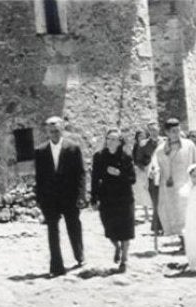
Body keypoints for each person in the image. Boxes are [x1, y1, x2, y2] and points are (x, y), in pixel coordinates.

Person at [34, 116, 86, 276]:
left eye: (56, 130)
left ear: (62, 129)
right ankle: (56, 266)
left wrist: (81, 195)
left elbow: (81, 174)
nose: (54, 134)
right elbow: (39, 178)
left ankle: (79, 255)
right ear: (47, 132)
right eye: (51, 131)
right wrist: (40, 199)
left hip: (70, 196)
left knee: (73, 226)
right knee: (52, 231)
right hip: (50, 198)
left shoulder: (73, 148)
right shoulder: (40, 151)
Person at [91, 128, 136, 273]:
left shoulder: (126, 157)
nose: (110, 141)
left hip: (124, 197)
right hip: (107, 197)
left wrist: (119, 173)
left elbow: (132, 179)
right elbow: (94, 178)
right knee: (109, 228)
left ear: (119, 142)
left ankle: (124, 260)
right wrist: (94, 197)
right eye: (108, 138)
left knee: (126, 229)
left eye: (114, 139)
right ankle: (116, 247)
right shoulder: (99, 156)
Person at [153, 118, 196, 244]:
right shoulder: (161, 150)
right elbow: (155, 165)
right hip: (169, 188)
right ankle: (182, 240)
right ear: (166, 132)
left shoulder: (189, 145)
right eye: (173, 131)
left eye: (178, 130)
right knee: (173, 214)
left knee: (186, 214)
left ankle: (188, 242)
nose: (176, 133)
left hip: (185, 185)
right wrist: (155, 171)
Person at [132, 127, 156, 222]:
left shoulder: (148, 145)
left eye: (143, 136)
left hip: (149, 168)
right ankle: (146, 213)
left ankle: (153, 213)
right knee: (143, 192)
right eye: (139, 136)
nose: (141, 138)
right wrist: (140, 166)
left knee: (150, 189)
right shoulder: (136, 146)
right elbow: (134, 158)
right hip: (140, 170)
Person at [146, 122, 164, 235]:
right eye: (151, 130)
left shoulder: (165, 143)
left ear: (159, 129)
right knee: (156, 202)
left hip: (164, 174)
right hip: (151, 175)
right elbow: (138, 159)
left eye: (155, 129)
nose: (153, 132)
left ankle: (164, 225)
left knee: (164, 202)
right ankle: (156, 226)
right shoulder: (143, 144)